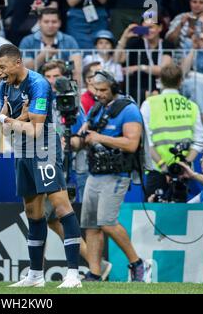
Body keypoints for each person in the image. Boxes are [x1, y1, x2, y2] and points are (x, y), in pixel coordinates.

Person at [0, 44, 83, 288]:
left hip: (44, 149)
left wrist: (9, 119)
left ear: (18, 62)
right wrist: (14, 120)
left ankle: (73, 275)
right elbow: (3, 126)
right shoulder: (3, 87)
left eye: (2, 67)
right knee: (33, 213)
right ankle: (35, 276)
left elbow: (35, 130)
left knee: (61, 207)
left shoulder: (38, 84)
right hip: (21, 151)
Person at [70, 70, 152, 282]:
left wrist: (100, 137)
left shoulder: (129, 109)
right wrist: (72, 142)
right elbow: (83, 137)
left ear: (114, 88)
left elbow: (132, 143)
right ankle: (95, 273)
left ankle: (137, 263)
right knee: (90, 225)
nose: (98, 94)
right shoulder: (96, 109)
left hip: (117, 173)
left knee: (107, 222)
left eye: (103, 90)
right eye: (95, 89)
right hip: (95, 172)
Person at [41, 59, 112, 280]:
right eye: (48, 77)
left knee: (40, 216)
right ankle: (97, 264)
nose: (52, 82)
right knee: (49, 219)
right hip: (45, 163)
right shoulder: (40, 99)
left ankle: (36, 274)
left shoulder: (71, 103)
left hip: (65, 168)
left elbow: (82, 136)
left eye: (56, 77)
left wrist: (68, 140)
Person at [141, 63, 203, 202]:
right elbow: (198, 141)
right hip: (183, 171)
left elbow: (146, 141)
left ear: (160, 81)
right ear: (180, 81)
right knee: (179, 217)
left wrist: (163, 166)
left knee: (153, 215)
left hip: (157, 169)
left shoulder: (149, 104)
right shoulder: (192, 106)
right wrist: (185, 165)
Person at [115, 13, 174, 104]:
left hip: (160, 88)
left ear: (160, 28)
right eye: (145, 28)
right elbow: (117, 59)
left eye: (151, 27)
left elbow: (163, 70)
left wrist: (139, 67)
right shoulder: (135, 43)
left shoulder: (167, 44)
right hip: (136, 88)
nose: (148, 31)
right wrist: (124, 37)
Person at [19, 7, 82, 85]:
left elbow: (77, 69)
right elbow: (24, 70)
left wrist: (76, 93)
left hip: (63, 86)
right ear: (39, 22)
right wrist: (42, 56)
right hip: (35, 86)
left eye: (54, 22)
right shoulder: (27, 41)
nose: (50, 25)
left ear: (59, 23)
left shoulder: (70, 40)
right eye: (46, 22)